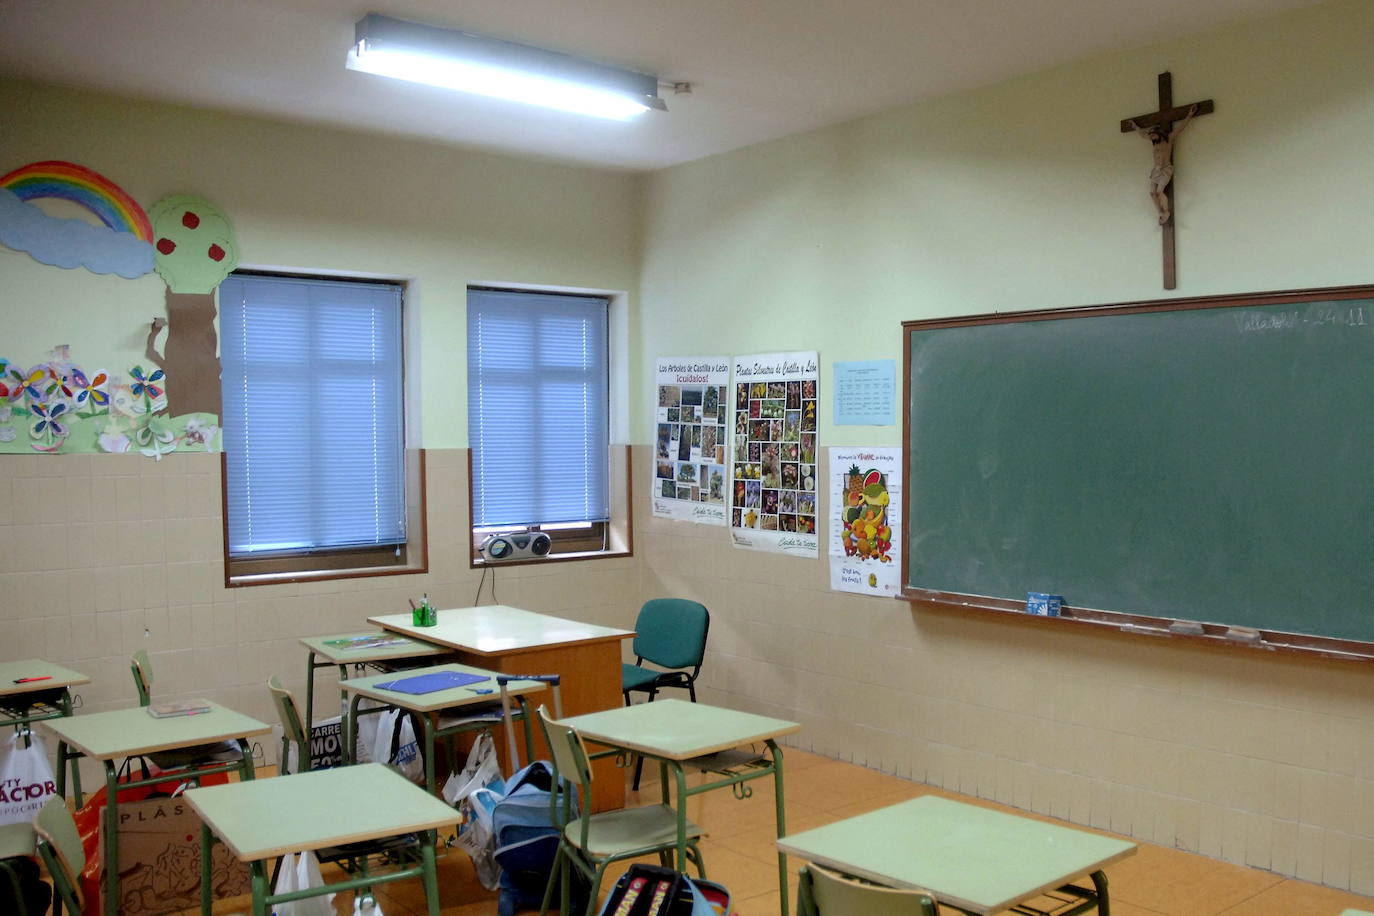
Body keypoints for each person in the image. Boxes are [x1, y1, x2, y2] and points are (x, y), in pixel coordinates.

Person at [1125, 103, 1198, 225]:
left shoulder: (1169, 139)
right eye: (1151, 136)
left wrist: (1189, 115)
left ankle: (1166, 211)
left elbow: (1180, 128)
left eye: (1153, 135)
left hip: (1165, 169)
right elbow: (1143, 134)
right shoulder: (1153, 141)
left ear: (1159, 133)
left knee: (1159, 192)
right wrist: (1134, 126)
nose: (1151, 137)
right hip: (1156, 169)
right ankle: (1160, 212)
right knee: (1152, 193)